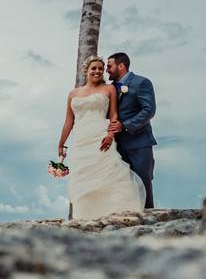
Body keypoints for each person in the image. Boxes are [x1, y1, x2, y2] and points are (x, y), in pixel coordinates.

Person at [57, 55, 146, 219]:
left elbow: (113, 115)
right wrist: (61, 143)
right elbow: (68, 122)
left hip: (100, 137)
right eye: (94, 68)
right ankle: (84, 217)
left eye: (100, 68)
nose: (97, 71)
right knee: (83, 177)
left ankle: (115, 214)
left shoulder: (109, 89)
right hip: (81, 140)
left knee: (107, 175)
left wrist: (110, 135)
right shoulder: (73, 94)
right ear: (87, 71)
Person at [106, 52, 157, 208]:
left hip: (139, 143)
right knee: (121, 186)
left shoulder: (141, 82)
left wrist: (125, 125)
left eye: (109, 66)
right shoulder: (108, 89)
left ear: (121, 66)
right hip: (116, 146)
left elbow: (149, 110)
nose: (106, 70)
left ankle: (149, 220)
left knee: (142, 182)